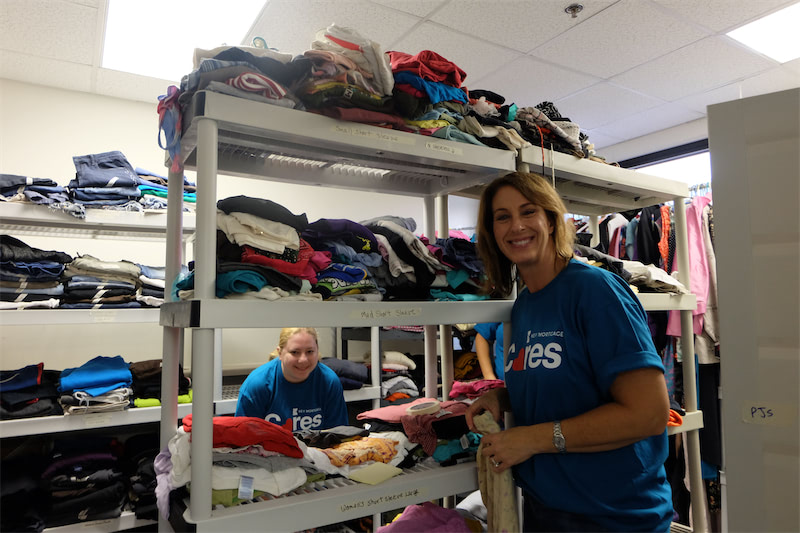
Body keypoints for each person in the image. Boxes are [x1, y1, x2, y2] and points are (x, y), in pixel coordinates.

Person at [465, 171, 672, 532]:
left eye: (528, 212)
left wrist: (529, 439)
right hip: (547, 507)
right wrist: (505, 396)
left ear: (550, 219)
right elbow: (569, 383)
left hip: (613, 515)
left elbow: (649, 414)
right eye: (502, 217)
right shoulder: (525, 303)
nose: (516, 226)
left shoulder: (595, 290)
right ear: (492, 232)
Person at [235, 327, 348, 432]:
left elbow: (338, 436)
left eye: (310, 351)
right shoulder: (257, 384)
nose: (303, 359)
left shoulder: (329, 382)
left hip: (317, 452)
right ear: (280, 353)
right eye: (295, 352)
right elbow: (244, 440)